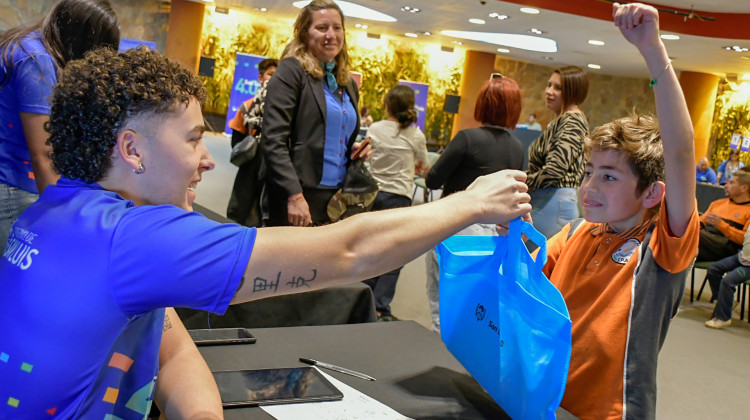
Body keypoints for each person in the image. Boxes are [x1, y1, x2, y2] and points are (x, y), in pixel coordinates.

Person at [0, 46, 531, 419]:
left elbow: (172, 349)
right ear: (132, 150)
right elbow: (350, 251)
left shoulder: (60, 211)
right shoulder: (132, 241)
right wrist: (471, 204)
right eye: (190, 140)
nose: (207, 160)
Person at [538, 4, 699, 418]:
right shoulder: (575, 233)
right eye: (590, 172)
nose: (589, 186)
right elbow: (528, 284)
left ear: (651, 195)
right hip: (546, 399)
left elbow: (681, 152)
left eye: (609, 177)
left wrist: (653, 50)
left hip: (610, 411)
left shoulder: (662, 248)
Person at [0, 0, 120, 251]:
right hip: (13, 187)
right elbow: (43, 153)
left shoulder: (25, 43)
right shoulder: (37, 59)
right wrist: (59, 217)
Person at [424, 73, 524, 332]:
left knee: (441, 297)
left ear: (483, 103)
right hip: (492, 234)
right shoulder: (517, 148)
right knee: (474, 301)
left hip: (453, 226)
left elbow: (433, 180)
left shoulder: (467, 138)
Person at [262, 0, 369, 227]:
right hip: (298, 195)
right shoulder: (291, 72)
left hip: (337, 196)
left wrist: (352, 148)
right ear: (304, 33)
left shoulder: (347, 82)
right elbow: (273, 140)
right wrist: (294, 195)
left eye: (337, 27)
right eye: (322, 28)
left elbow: (329, 132)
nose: (331, 35)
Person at [362, 85, 428, 321]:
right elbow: (423, 166)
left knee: (369, 248)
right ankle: (380, 307)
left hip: (374, 195)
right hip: (399, 199)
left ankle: (364, 297)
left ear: (387, 105)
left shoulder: (375, 128)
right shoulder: (416, 136)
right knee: (394, 253)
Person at [526, 65, 589, 239]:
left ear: (573, 91)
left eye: (557, 88)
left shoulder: (573, 120)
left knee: (533, 262)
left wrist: (523, 181)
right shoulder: (561, 120)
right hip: (547, 200)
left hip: (553, 202)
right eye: (549, 85)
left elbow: (554, 171)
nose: (549, 91)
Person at [226, 58, 278, 227]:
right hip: (249, 170)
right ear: (260, 78)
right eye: (271, 74)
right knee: (239, 214)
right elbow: (236, 142)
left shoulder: (286, 112)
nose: (274, 79)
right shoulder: (247, 107)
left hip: (274, 171)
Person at [697, 170, 750, 261]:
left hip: (727, 247)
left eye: (731, 183)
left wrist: (721, 225)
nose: (726, 186)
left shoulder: (748, 210)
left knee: (694, 236)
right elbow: (700, 221)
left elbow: (745, 240)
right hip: (706, 240)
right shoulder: (717, 203)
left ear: (743, 188)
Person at [703, 227, 750, 329]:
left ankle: (723, 318)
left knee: (728, 281)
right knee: (713, 269)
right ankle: (722, 301)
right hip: (741, 257)